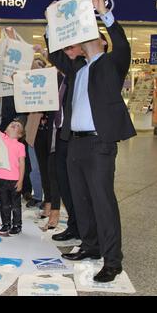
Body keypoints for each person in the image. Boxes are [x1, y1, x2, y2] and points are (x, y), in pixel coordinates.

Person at [46, 0, 136, 282]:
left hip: (100, 144)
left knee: (102, 200)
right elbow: (56, 55)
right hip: (75, 142)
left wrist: (104, 14)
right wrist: (53, 22)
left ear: (101, 42)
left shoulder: (111, 63)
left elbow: (123, 45)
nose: (85, 38)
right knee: (81, 199)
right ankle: (90, 245)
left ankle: (112, 260)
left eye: (91, 35)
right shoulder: (78, 69)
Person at [51, 44, 84, 242]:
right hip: (60, 135)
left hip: (75, 136)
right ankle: (73, 226)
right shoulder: (63, 80)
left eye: (71, 49)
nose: (67, 53)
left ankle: (83, 228)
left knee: (76, 186)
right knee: (63, 183)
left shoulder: (80, 73)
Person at [0, 106, 26, 236]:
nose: (14, 125)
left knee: (16, 205)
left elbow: (22, 164)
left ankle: (17, 225)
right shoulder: (1, 139)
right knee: (4, 204)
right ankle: (5, 224)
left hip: (15, 180)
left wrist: (21, 181)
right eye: (12, 124)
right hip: (2, 179)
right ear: (5, 130)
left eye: (17, 126)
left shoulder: (20, 146)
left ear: (20, 135)